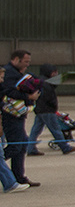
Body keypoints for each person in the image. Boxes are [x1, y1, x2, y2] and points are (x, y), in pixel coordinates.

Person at [2, 49, 40, 187]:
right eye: (25, 61)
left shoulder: (18, 73)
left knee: (22, 145)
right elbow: (7, 92)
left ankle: (19, 177)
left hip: (18, 114)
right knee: (16, 146)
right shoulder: (8, 73)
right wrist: (28, 97)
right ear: (16, 59)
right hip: (9, 115)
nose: (27, 64)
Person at [26, 64, 75, 156]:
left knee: (35, 130)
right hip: (47, 110)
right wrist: (53, 107)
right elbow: (48, 97)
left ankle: (30, 148)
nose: (56, 74)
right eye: (54, 72)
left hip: (40, 110)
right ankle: (65, 147)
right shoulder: (46, 83)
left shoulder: (41, 81)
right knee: (55, 129)